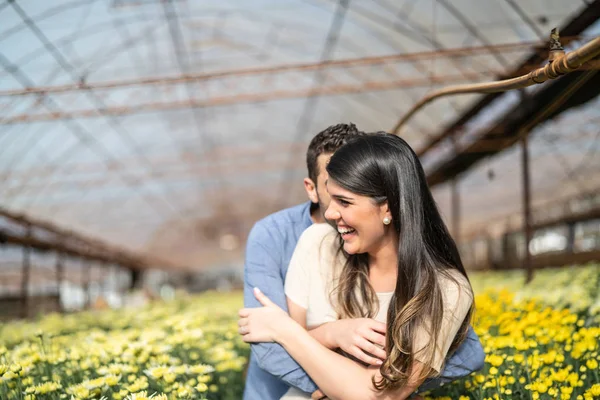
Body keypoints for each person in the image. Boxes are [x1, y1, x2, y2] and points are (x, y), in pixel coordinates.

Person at [240, 133, 484, 400]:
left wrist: (282, 329)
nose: (330, 213)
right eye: (331, 199)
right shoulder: (320, 243)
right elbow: (294, 357)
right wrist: (334, 335)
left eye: (344, 202)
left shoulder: (447, 289)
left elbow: (377, 395)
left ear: (388, 208)